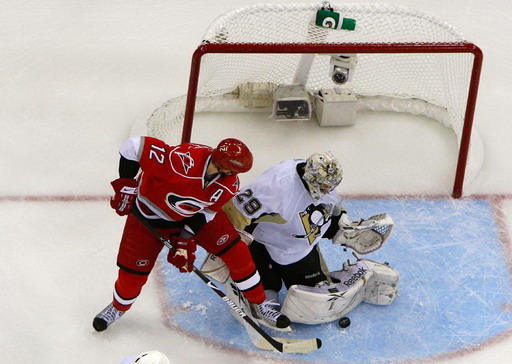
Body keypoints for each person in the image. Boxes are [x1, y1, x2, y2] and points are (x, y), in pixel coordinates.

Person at [93, 136, 290, 332]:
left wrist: (184, 242)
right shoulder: (181, 160)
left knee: (236, 251)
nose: (234, 174)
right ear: (220, 163)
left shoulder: (229, 184)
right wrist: (126, 186)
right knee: (132, 275)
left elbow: (206, 213)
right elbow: (133, 146)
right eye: (233, 169)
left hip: (191, 217)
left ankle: (260, 303)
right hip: (148, 216)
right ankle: (118, 308)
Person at [221, 152, 399, 324]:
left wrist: (341, 224)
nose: (328, 190)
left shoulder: (325, 179)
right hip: (262, 244)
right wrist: (226, 246)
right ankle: (264, 286)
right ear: (310, 177)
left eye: (331, 186)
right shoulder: (276, 184)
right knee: (262, 297)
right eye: (324, 187)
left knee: (313, 304)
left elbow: (333, 205)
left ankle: (354, 272)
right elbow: (233, 212)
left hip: (300, 250)